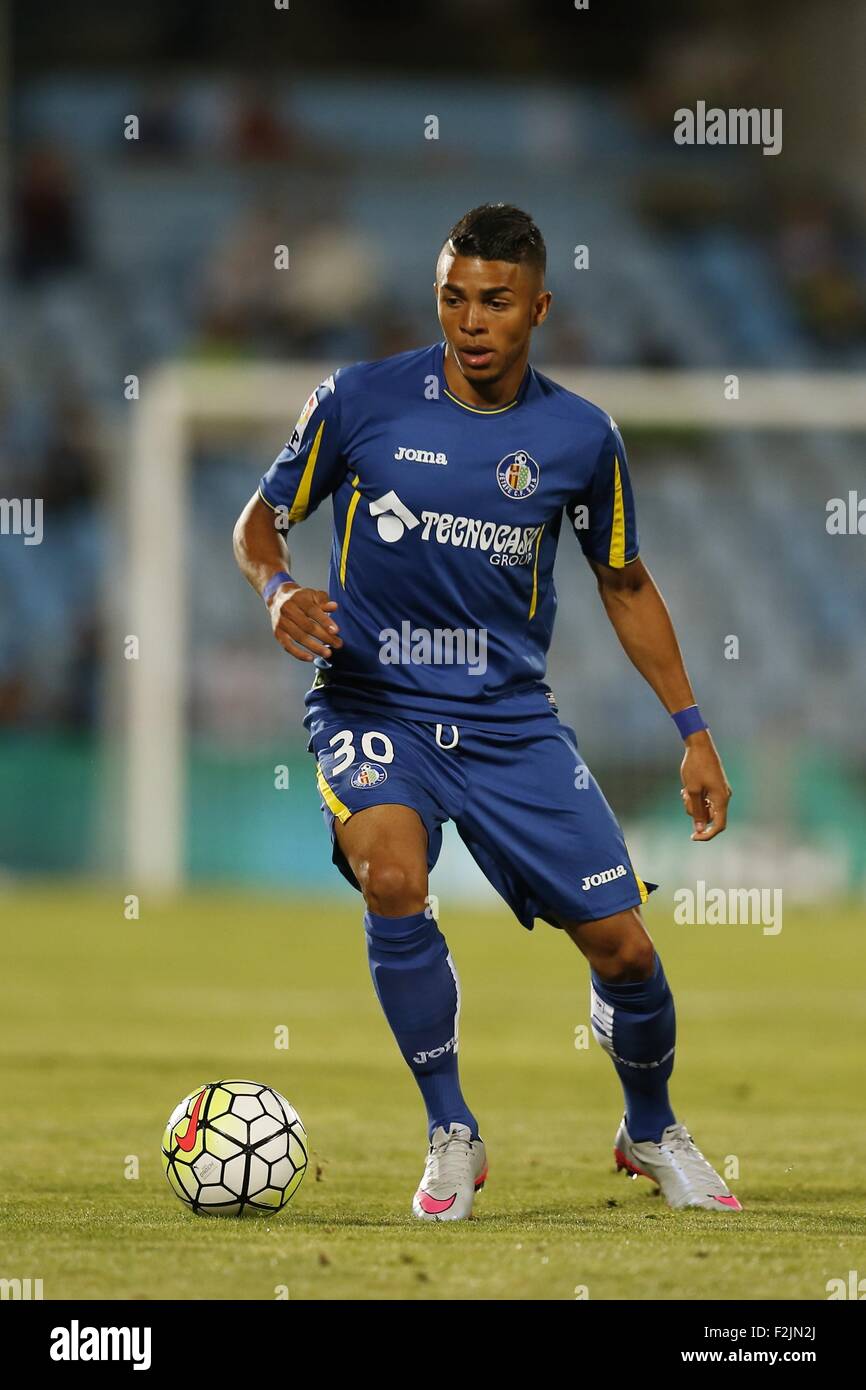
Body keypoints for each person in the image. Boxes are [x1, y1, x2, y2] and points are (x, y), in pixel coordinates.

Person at [233, 202, 740, 1220]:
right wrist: (276, 589)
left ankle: (649, 1126)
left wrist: (692, 730)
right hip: (373, 704)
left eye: (495, 302)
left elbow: (625, 584)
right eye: (453, 298)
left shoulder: (578, 435)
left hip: (510, 722)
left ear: (537, 308)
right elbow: (261, 519)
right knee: (389, 871)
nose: (471, 321)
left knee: (625, 951)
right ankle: (450, 1131)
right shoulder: (358, 400)